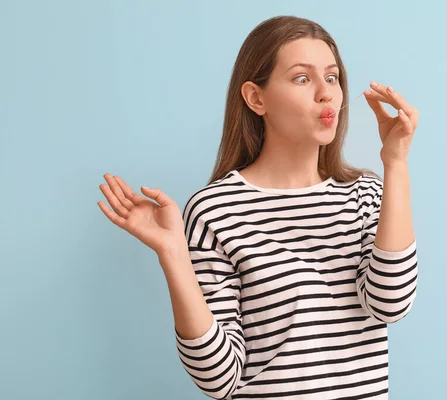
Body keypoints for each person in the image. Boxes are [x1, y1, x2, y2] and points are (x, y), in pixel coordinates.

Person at [98, 15, 419, 400]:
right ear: (256, 97)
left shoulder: (365, 194)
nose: (326, 93)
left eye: (332, 78)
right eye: (303, 78)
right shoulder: (215, 210)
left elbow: (390, 303)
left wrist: (395, 163)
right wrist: (173, 253)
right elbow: (219, 379)